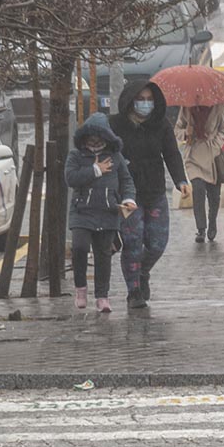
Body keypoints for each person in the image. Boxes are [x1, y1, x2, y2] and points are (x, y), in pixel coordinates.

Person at [109, 80, 190, 309]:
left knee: (157, 242)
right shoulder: (115, 125)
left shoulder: (161, 125)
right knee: (133, 242)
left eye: (149, 100)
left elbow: (172, 154)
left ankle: (142, 272)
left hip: (154, 191)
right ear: (130, 101)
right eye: (140, 100)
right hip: (128, 195)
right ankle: (133, 290)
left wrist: (180, 180)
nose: (145, 104)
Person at [65, 113, 137, 313]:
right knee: (79, 247)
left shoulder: (115, 157)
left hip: (108, 213)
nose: (95, 142)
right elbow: (71, 178)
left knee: (103, 255)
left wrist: (128, 199)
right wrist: (95, 170)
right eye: (91, 137)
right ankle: (81, 288)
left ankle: (102, 296)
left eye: (99, 137)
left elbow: (126, 180)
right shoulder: (76, 156)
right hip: (82, 212)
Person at [176, 102, 224, 242]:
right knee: (198, 190)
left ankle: (212, 222)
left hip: (213, 155)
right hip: (193, 156)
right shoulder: (186, 108)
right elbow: (177, 130)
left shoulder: (217, 107)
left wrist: (216, 144)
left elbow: (223, 129)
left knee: (214, 195)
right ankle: (201, 229)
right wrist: (186, 133)